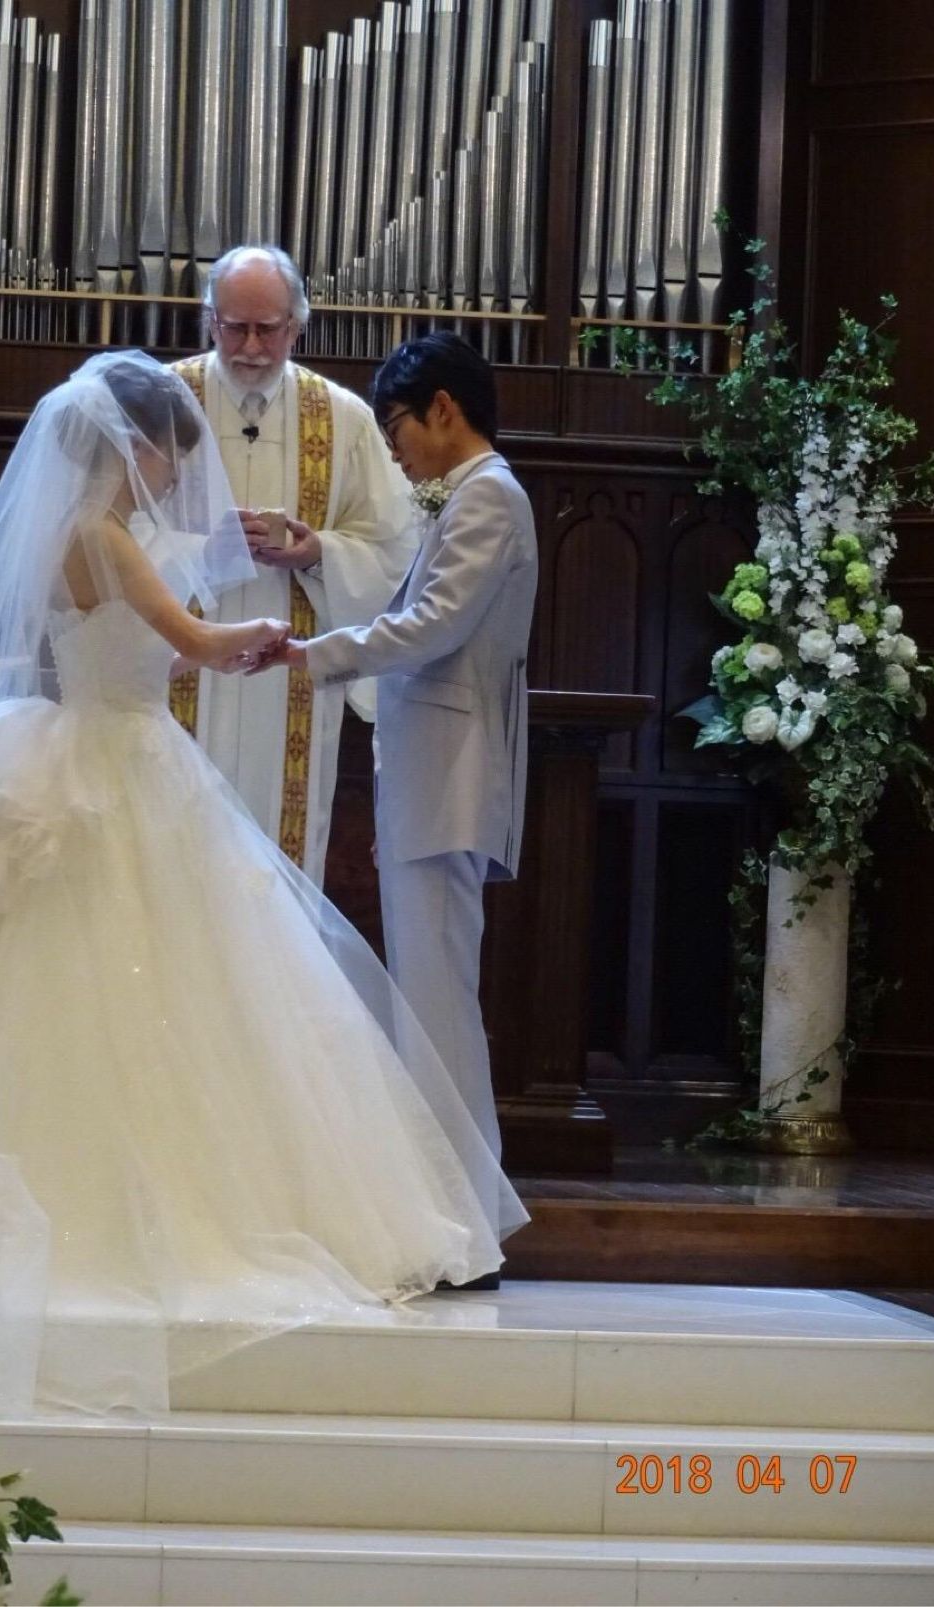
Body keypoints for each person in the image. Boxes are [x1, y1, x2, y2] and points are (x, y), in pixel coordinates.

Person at [0, 352, 525, 1420]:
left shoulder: (64, 534)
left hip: (72, 750)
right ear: (137, 446)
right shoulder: (107, 534)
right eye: (172, 455)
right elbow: (196, 640)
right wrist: (274, 642)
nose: (176, 476)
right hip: (122, 762)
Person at [260, 334, 538, 1225]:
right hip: (430, 778)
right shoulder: (469, 495)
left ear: (443, 409)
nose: (394, 450)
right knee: (429, 1001)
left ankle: (469, 1217)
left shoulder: (486, 495)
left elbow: (433, 625)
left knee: (439, 1005)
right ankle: (451, 1208)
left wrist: (312, 654)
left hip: (450, 778)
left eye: (396, 429)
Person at [162, 245, 417, 885]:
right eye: (234, 327)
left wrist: (319, 553)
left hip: (288, 680)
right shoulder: (162, 404)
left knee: (274, 856)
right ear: (209, 320)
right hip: (180, 664)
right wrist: (205, 552)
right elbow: (110, 533)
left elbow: (394, 547)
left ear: (297, 326)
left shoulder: (343, 419)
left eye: (267, 329)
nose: (250, 346)